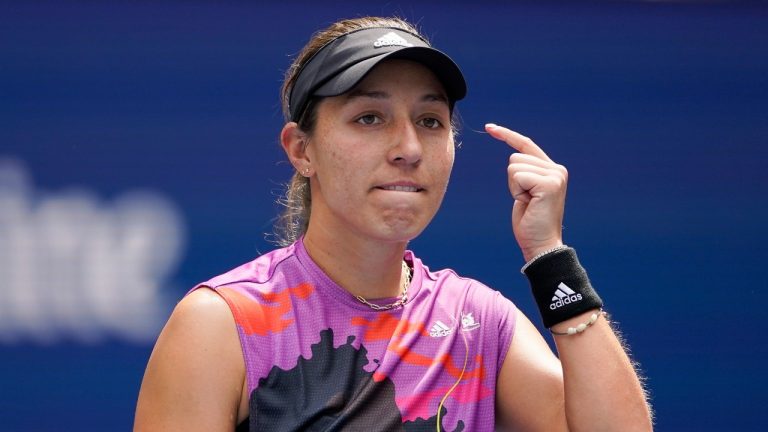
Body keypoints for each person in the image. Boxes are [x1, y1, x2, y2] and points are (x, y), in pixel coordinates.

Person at [134, 16, 652, 431]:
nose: (408, 148)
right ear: (301, 149)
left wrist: (549, 255)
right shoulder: (224, 323)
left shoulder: (478, 321)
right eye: (369, 118)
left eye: (430, 122)